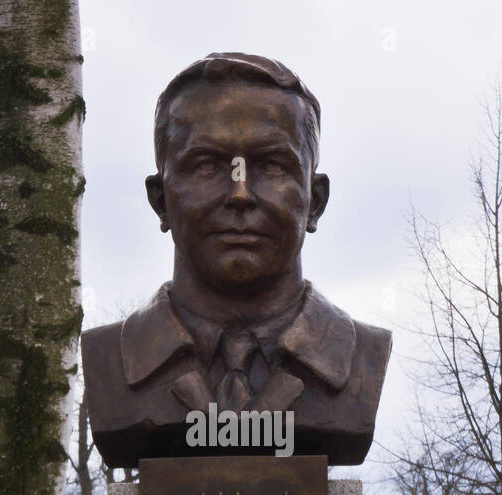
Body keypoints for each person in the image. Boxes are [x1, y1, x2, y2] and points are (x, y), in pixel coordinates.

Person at [81, 52, 391, 468]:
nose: (240, 193)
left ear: (314, 202)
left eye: (272, 165)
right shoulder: (110, 361)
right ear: (161, 202)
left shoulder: (360, 359)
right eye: (207, 165)